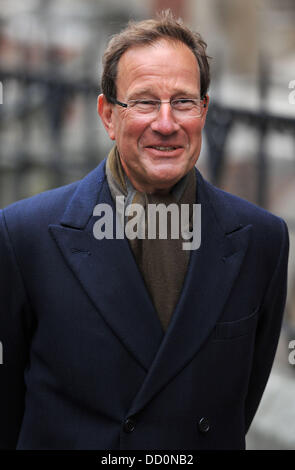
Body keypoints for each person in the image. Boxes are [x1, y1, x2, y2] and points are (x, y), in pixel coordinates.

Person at [0, 11, 289, 450]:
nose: (167, 123)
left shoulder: (262, 240)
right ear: (107, 116)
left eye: (184, 101)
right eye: (145, 102)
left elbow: (240, 402)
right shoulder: (25, 236)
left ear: (205, 111)